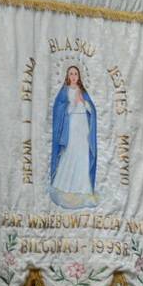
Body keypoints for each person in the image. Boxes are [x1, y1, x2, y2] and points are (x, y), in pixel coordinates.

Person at [48, 64, 98, 209]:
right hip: (71, 125)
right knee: (70, 152)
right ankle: (64, 186)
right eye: (71, 73)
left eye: (76, 73)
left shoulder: (83, 91)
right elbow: (59, 111)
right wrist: (73, 105)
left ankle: (84, 189)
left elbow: (91, 111)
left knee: (83, 154)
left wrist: (84, 103)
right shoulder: (64, 92)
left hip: (83, 125)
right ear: (67, 76)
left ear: (79, 76)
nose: (74, 76)